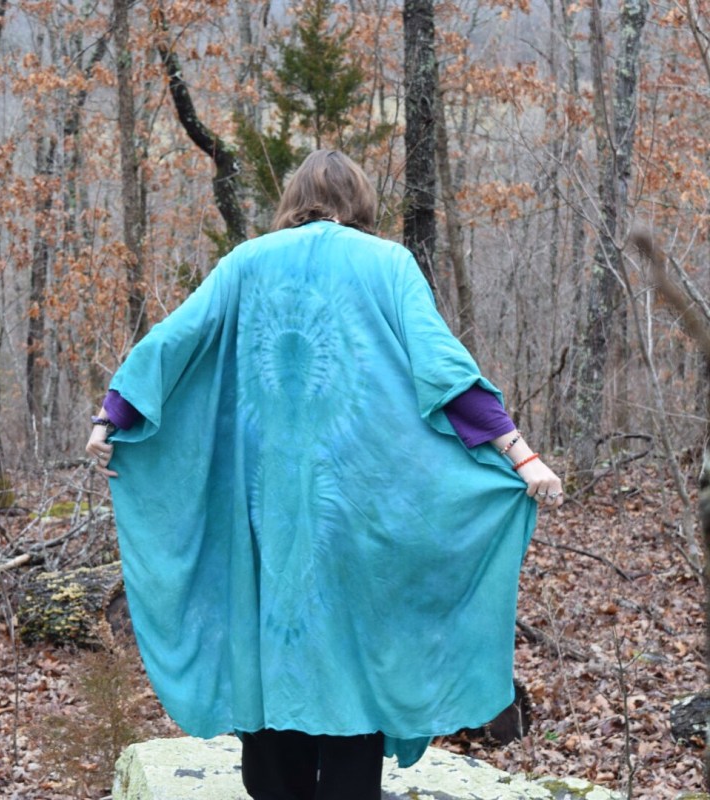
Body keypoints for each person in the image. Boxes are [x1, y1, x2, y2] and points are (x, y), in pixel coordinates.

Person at [86, 149, 563, 800]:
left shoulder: (246, 262)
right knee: (350, 659)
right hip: (358, 516)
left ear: (292, 201)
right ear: (359, 203)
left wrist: (114, 414)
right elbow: (445, 371)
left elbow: (173, 341)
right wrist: (519, 454)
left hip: (264, 519)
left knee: (274, 650)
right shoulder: (388, 263)